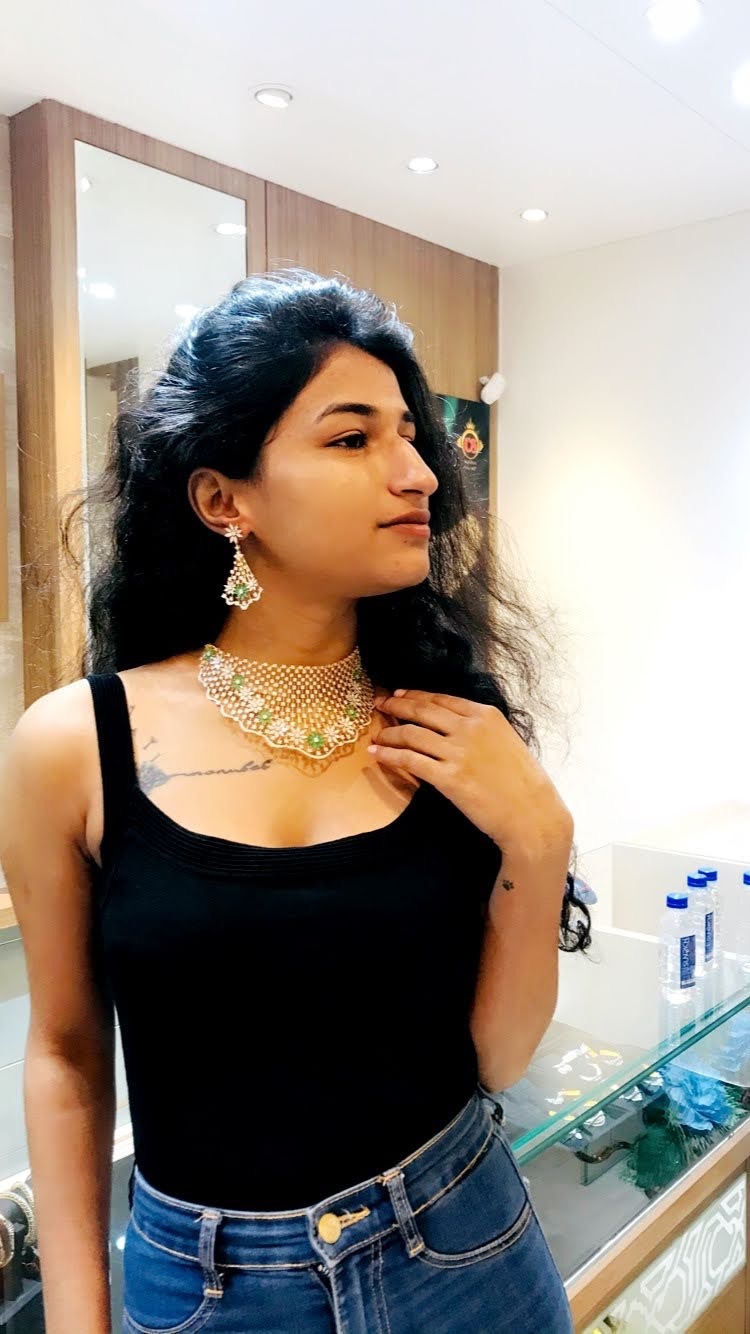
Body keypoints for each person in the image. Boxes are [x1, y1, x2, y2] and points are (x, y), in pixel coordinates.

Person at [0, 270, 588, 1333]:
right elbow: (67, 1053)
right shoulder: (76, 745)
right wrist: (77, 1318)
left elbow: (495, 1060)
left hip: (468, 1252)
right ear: (224, 500)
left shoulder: (450, 729)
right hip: (210, 1290)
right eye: (352, 438)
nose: (419, 472)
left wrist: (541, 839)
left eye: (409, 435)